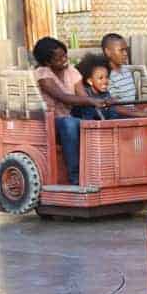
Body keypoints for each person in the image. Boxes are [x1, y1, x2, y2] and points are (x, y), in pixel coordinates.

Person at [33, 37, 107, 185]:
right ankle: (75, 177)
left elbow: (82, 96)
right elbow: (64, 98)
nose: (64, 60)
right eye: (59, 58)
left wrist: (99, 103)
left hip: (69, 116)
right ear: (48, 62)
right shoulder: (43, 74)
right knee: (70, 124)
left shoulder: (71, 70)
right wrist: (92, 101)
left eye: (65, 55)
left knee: (95, 118)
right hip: (48, 121)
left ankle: (99, 171)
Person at [70, 54, 121, 120]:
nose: (105, 81)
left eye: (107, 77)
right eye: (100, 78)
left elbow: (112, 114)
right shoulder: (85, 94)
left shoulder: (106, 93)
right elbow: (87, 118)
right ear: (90, 81)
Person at [102, 33, 136, 102]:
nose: (125, 53)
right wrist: (138, 113)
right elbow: (112, 106)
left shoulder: (126, 70)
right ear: (108, 52)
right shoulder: (105, 76)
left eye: (125, 50)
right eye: (121, 50)